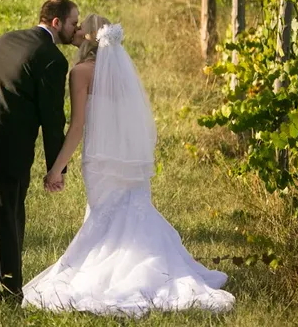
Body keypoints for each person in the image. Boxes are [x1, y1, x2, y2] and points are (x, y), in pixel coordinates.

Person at [22, 17, 236, 316]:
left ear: (88, 37)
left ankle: (115, 276)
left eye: (81, 27)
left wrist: (56, 168)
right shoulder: (123, 73)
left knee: (104, 215)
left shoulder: (80, 73)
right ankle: (156, 268)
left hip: (99, 160)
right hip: (127, 159)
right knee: (132, 210)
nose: (76, 31)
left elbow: (78, 127)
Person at [0, 0, 81, 303]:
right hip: (5, 149)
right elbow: (52, 119)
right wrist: (56, 168)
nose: (77, 29)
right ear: (56, 22)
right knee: (6, 221)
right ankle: (9, 295)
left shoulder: (5, 39)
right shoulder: (51, 58)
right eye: (74, 23)